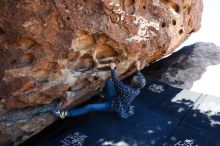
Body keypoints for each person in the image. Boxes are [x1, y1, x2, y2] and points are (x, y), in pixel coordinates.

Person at [52, 61, 146, 119]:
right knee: (108, 82)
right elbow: (139, 76)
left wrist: (112, 69)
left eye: (133, 79)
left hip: (113, 105)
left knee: (90, 106)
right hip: (116, 98)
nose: (133, 78)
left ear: (132, 84)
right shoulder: (137, 88)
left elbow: (116, 81)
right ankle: (103, 95)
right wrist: (137, 67)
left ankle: (64, 114)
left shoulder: (127, 90)